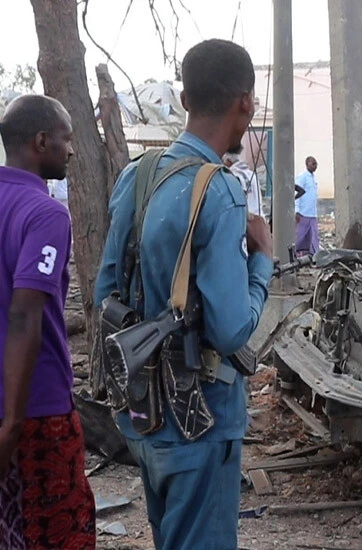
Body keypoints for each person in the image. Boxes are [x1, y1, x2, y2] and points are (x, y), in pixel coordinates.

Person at [94, 39, 275, 549]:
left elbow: (106, 290)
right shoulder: (218, 190)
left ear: (182, 96)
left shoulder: (138, 174)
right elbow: (231, 328)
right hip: (201, 421)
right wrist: (261, 262)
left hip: (144, 417)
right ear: (246, 102)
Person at [0, 95, 95, 549]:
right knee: (59, 535)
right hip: (36, 413)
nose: (71, 150)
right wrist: (13, 423)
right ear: (41, 141)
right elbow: (24, 314)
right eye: (66, 139)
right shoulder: (45, 213)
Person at [223, 151, 265, 218]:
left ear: (228, 161)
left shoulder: (231, 177)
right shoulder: (252, 174)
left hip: (246, 221)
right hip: (259, 218)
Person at [295, 156, 319, 256]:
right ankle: (294, 252)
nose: (315, 166)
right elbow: (296, 194)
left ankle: (314, 254)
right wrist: (297, 210)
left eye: (316, 164)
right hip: (303, 212)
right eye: (313, 163)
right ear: (307, 164)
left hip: (312, 213)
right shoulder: (302, 177)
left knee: (313, 236)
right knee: (299, 236)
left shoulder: (313, 178)